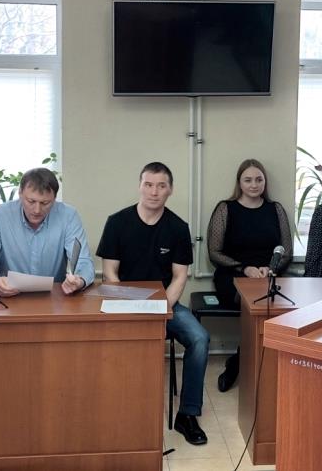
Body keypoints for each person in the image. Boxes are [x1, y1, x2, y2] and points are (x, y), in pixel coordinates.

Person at [97, 162, 209, 445]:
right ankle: (116, 409)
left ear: (170, 190)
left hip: (166, 305)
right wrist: (130, 308)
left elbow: (180, 277)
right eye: (148, 184)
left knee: (199, 338)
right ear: (140, 186)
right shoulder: (117, 222)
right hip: (123, 303)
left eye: (161, 186)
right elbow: (109, 274)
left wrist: (161, 309)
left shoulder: (178, 228)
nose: (154, 192)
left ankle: (187, 414)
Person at [207, 158, 291, 392]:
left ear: (265, 182)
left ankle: (238, 360)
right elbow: (214, 252)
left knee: (273, 302)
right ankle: (243, 362)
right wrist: (245, 269)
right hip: (233, 276)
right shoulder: (225, 208)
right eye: (248, 180)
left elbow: (286, 250)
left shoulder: (276, 209)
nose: (254, 185)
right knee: (254, 303)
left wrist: (269, 268)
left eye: (258, 179)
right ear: (239, 183)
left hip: (269, 275)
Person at [0, 167, 94, 296]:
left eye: (45, 203)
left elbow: (83, 261)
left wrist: (79, 281)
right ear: (20, 193)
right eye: (31, 201)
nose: (37, 210)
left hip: (54, 296)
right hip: (8, 296)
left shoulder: (68, 216)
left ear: (55, 198)